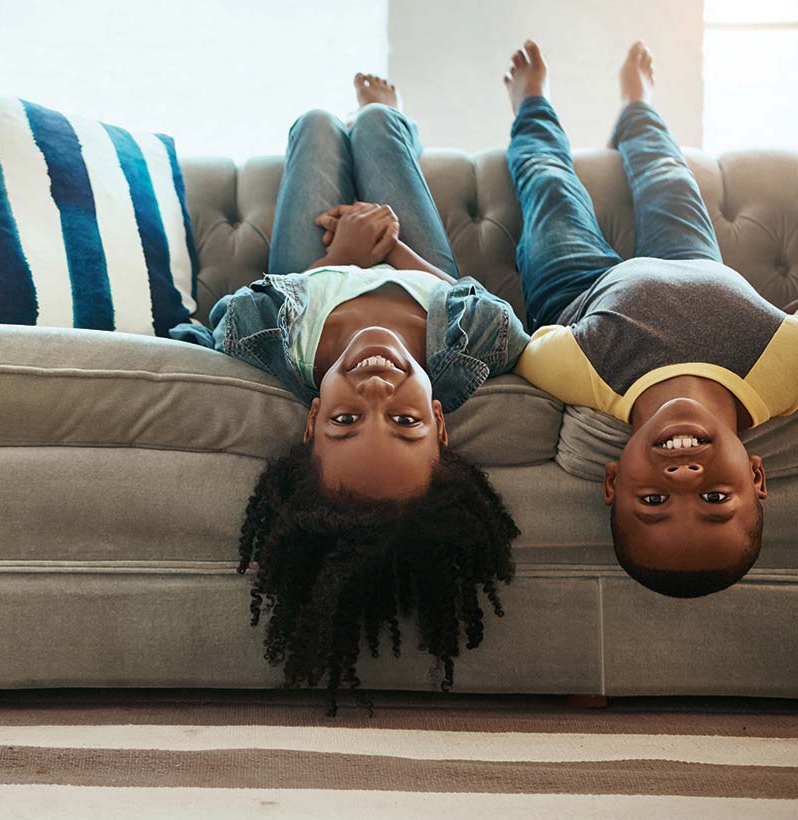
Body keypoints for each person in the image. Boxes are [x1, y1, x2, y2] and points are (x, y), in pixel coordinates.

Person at [171, 76, 523, 713]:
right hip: (410, 259)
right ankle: (385, 116)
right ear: (439, 420)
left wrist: (342, 257)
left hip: (316, 268)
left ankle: (355, 131)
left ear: (310, 420)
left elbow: (217, 318)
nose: (378, 387)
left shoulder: (264, 338)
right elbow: (489, 306)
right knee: (379, 130)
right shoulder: (474, 350)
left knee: (310, 123)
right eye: (404, 421)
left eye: (346, 418)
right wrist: (390, 249)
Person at [504, 39, 798, 598]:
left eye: (653, 502)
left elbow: (518, 344)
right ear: (756, 477)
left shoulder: (583, 373)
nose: (684, 480)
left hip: (578, 285)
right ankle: (637, 104)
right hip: (693, 261)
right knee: (667, 172)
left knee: (548, 184)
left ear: (613, 480)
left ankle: (531, 102)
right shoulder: (784, 373)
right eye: (715, 500)